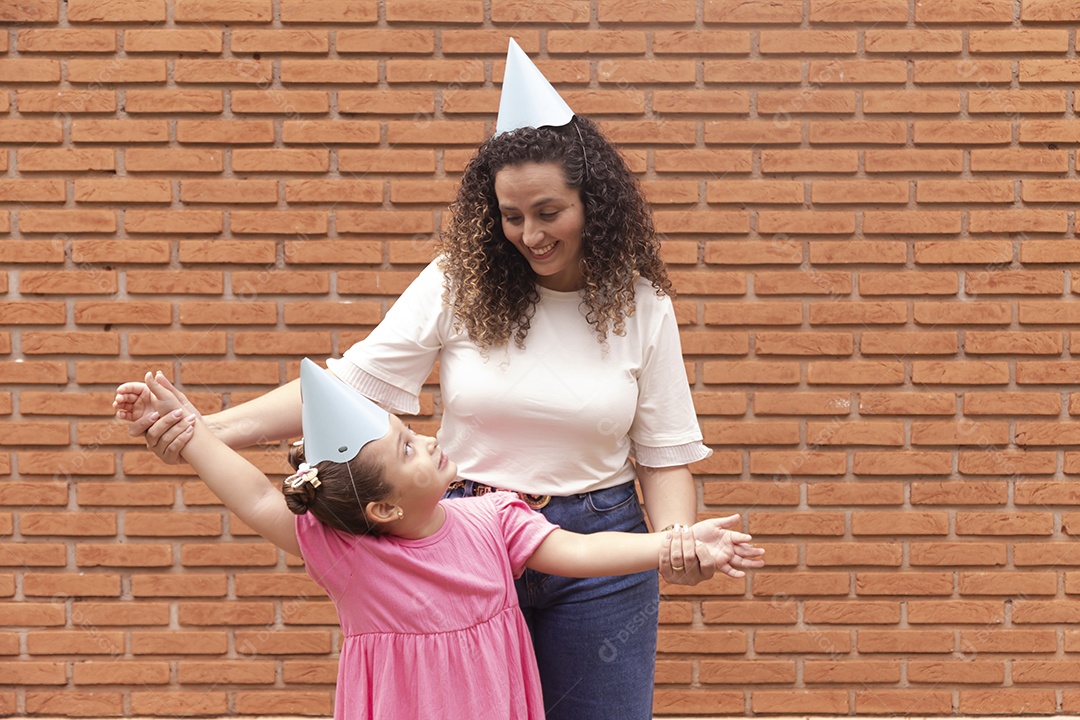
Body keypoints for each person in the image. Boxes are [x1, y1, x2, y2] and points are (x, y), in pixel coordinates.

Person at [127, 40, 724, 719]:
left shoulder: (643, 306)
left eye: (548, 212)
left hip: (597, 544)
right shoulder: (458, 283)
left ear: (594, 203)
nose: (529, 234)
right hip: (458, 538)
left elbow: (664, 454)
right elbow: (350, 388)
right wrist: (201, 431)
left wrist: (678, 541)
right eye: (511, 216)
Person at [114, 362, 764, 720]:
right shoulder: (351, 556)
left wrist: (673, 543)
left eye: (412, 433)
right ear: (384, 506)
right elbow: (257, 497)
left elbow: (580, 551)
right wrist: (189, 432)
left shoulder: (493, 519)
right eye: (407, 447)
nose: (427, 439)